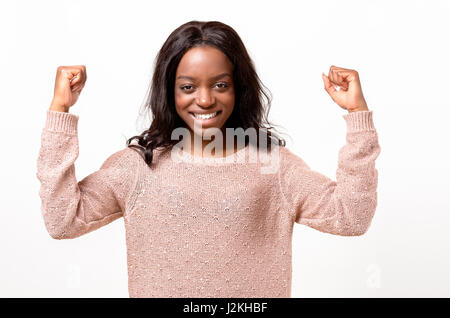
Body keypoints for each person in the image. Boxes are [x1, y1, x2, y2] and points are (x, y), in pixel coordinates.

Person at [36, 20, 380, 298]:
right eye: (188, 87)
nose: (204, 99)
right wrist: (60, 111)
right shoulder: (138, 167)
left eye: (220, 85)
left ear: (238, 88)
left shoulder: (272, 165)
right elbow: (62, 220)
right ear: (169, 91)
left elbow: (350, 216)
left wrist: (357, 115)